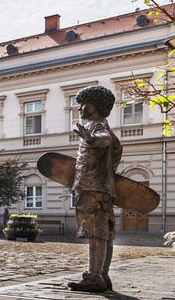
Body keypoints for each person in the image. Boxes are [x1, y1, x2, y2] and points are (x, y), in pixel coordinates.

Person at [68, 85, 121, 292]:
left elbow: (104, 139)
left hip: (92, 189)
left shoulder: (97, 126)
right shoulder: (101, 125)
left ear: (96, 106)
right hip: (102, 188)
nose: (80, 108)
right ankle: (102, 275)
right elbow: (116, 150)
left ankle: (94, 277)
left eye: (84, 103)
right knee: (104, 234)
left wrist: (91, 139)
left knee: (95, 233)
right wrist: (106, 173)